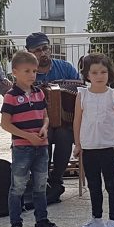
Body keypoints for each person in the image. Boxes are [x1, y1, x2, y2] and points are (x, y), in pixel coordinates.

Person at [1, 51, 62, 227]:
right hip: (22, 148)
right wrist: (27, 136)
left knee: (40, 185)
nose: (31, 75)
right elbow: (6, 123)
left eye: (34, 71)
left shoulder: (38, 93)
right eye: (26, 71)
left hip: (41, 146)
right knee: (18, 186)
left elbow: (45, 115)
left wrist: (44, 128)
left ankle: (41, 220)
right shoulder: (11, 96)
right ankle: (16, 223)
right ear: (15, 72)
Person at [72, 53, 114, 227]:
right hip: (89, 146)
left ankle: (113, 221)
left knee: (112, 184)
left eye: (103, 71)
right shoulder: (82, 95)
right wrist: (78, 143)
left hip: (109, 146)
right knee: (93, 184)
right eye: (94, 72)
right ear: (87, 75)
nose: (99, 76)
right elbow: (77, 120)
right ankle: (96, 219)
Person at [26, 32, 80, 203]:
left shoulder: (65, 67)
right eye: (38, 50)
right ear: (29, 52)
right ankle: (42, 180)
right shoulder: (27, 73)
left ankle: (56, 180)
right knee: (44, 135)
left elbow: (80, 91)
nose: (43, 53)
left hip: (65, 122)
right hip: (38, 123)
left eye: (45, 48)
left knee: (64, 136)